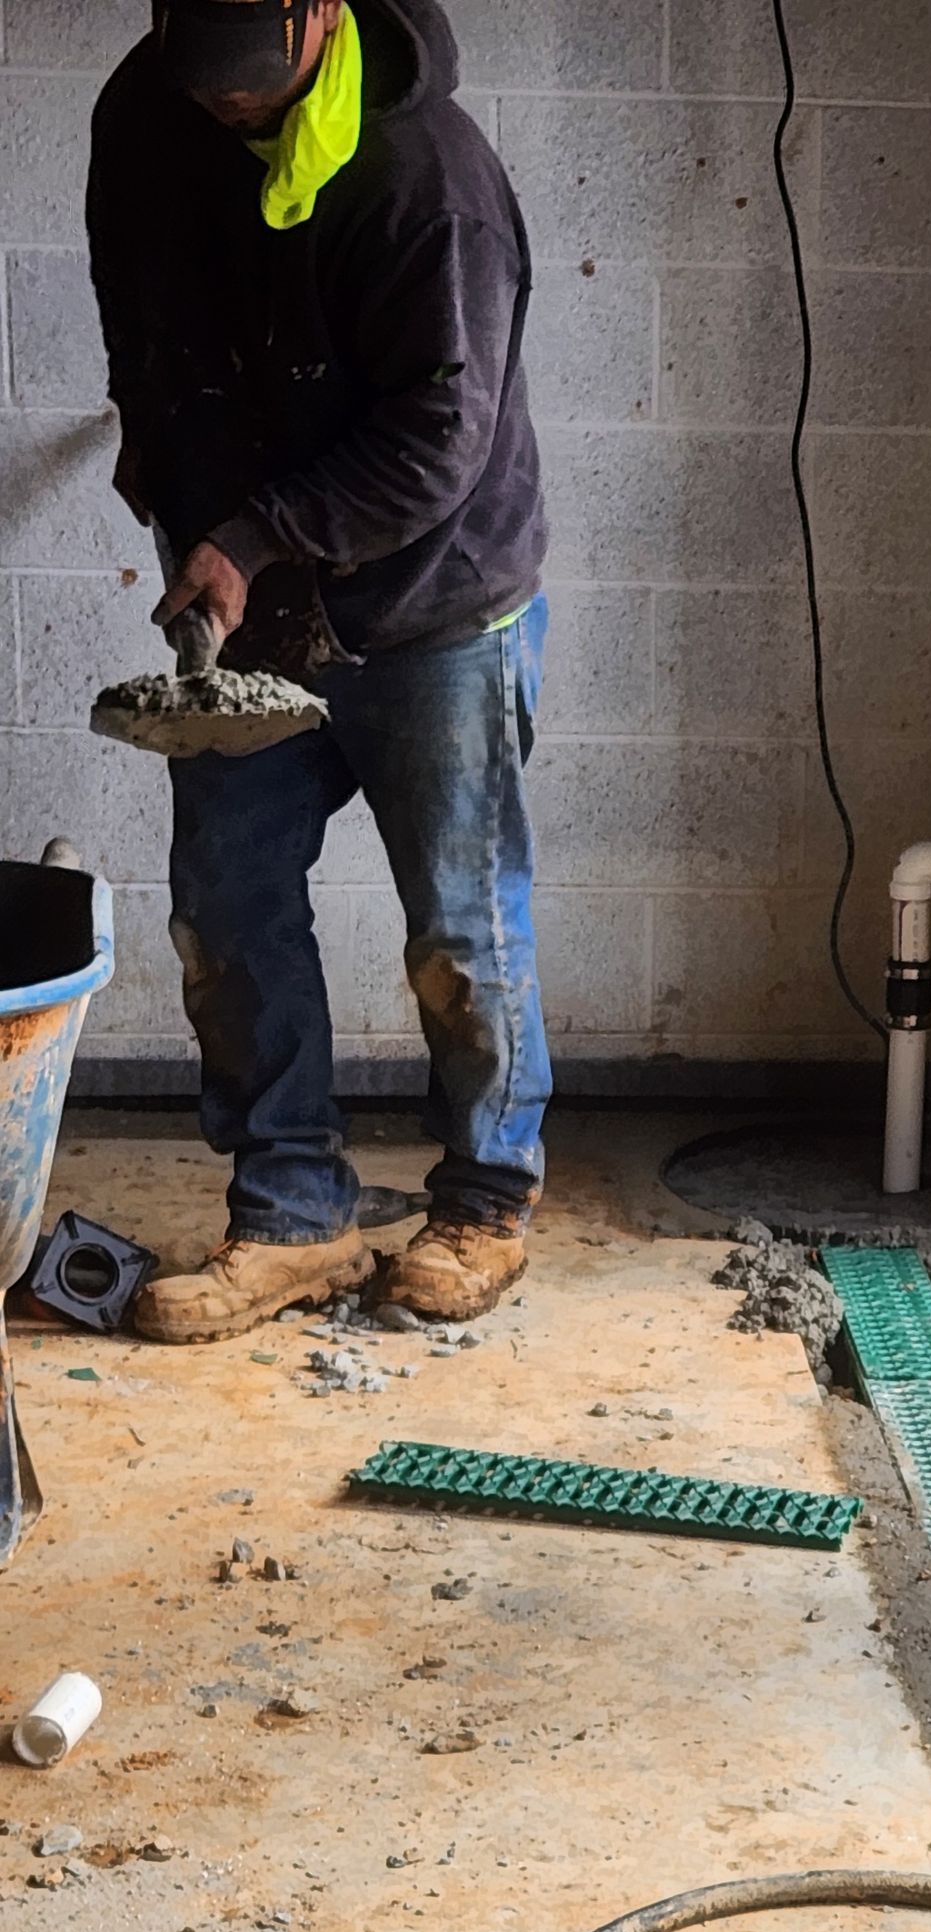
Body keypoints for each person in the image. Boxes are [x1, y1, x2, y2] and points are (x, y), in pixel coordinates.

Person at [87, 0, 551, 1341]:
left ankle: (487, 1199)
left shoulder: (426, 180)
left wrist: (257, 533)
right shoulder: (148, 112)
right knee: (223, 910)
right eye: (210, 91)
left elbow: (439, 438)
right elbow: (138, 299)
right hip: (255, 601)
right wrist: (163, 460)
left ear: (325, 19)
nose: (233, 112)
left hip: (435, 601)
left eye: (257, 93)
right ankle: (293, 1214)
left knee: (460, 928)